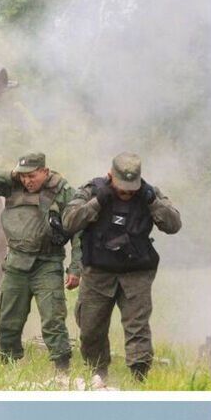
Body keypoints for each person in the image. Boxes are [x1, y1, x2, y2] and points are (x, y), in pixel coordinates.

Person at [63, 152, 182, 388]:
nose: (127, 192)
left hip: (136, 272)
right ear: (110, 176)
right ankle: (98, 374)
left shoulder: (149, 194)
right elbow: (69, 222)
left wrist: (152, 202)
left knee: (137, 327)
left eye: (131, 188)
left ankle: (140, 377)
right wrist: (98, 202)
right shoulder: (92, 190)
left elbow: (173, 224)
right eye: (122, 187)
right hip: (98, 271)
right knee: (90, 327)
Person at [0, 152, 74, 372]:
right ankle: (7, 366)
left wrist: (75, 267)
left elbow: (79, 230)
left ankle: (62, 368)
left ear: (45, 172)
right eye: (23, 176)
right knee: (8, 320)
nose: (27, 181)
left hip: (47, 263)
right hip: (16, 263)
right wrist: (12, 175)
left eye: (32, 175)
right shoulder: (12, 185)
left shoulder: (62, 190)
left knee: (52, 318)